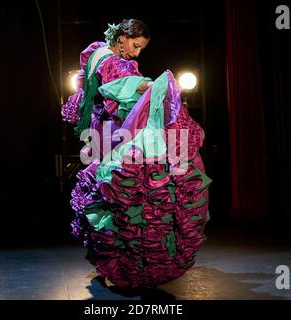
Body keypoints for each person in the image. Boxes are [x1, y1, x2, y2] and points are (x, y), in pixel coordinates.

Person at [61, 19, 212, 289]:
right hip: (116, 131)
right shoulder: (114, 62)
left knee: (109, 191)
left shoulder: (96, 50)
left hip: (102, 130)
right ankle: (129, 264)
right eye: (135, 45)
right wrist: (156, 87)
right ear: (122, 37)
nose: (136, 52)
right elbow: (121, 87)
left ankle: (112, 262)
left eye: (141, 48)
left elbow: (89, 85)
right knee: (128, 190)